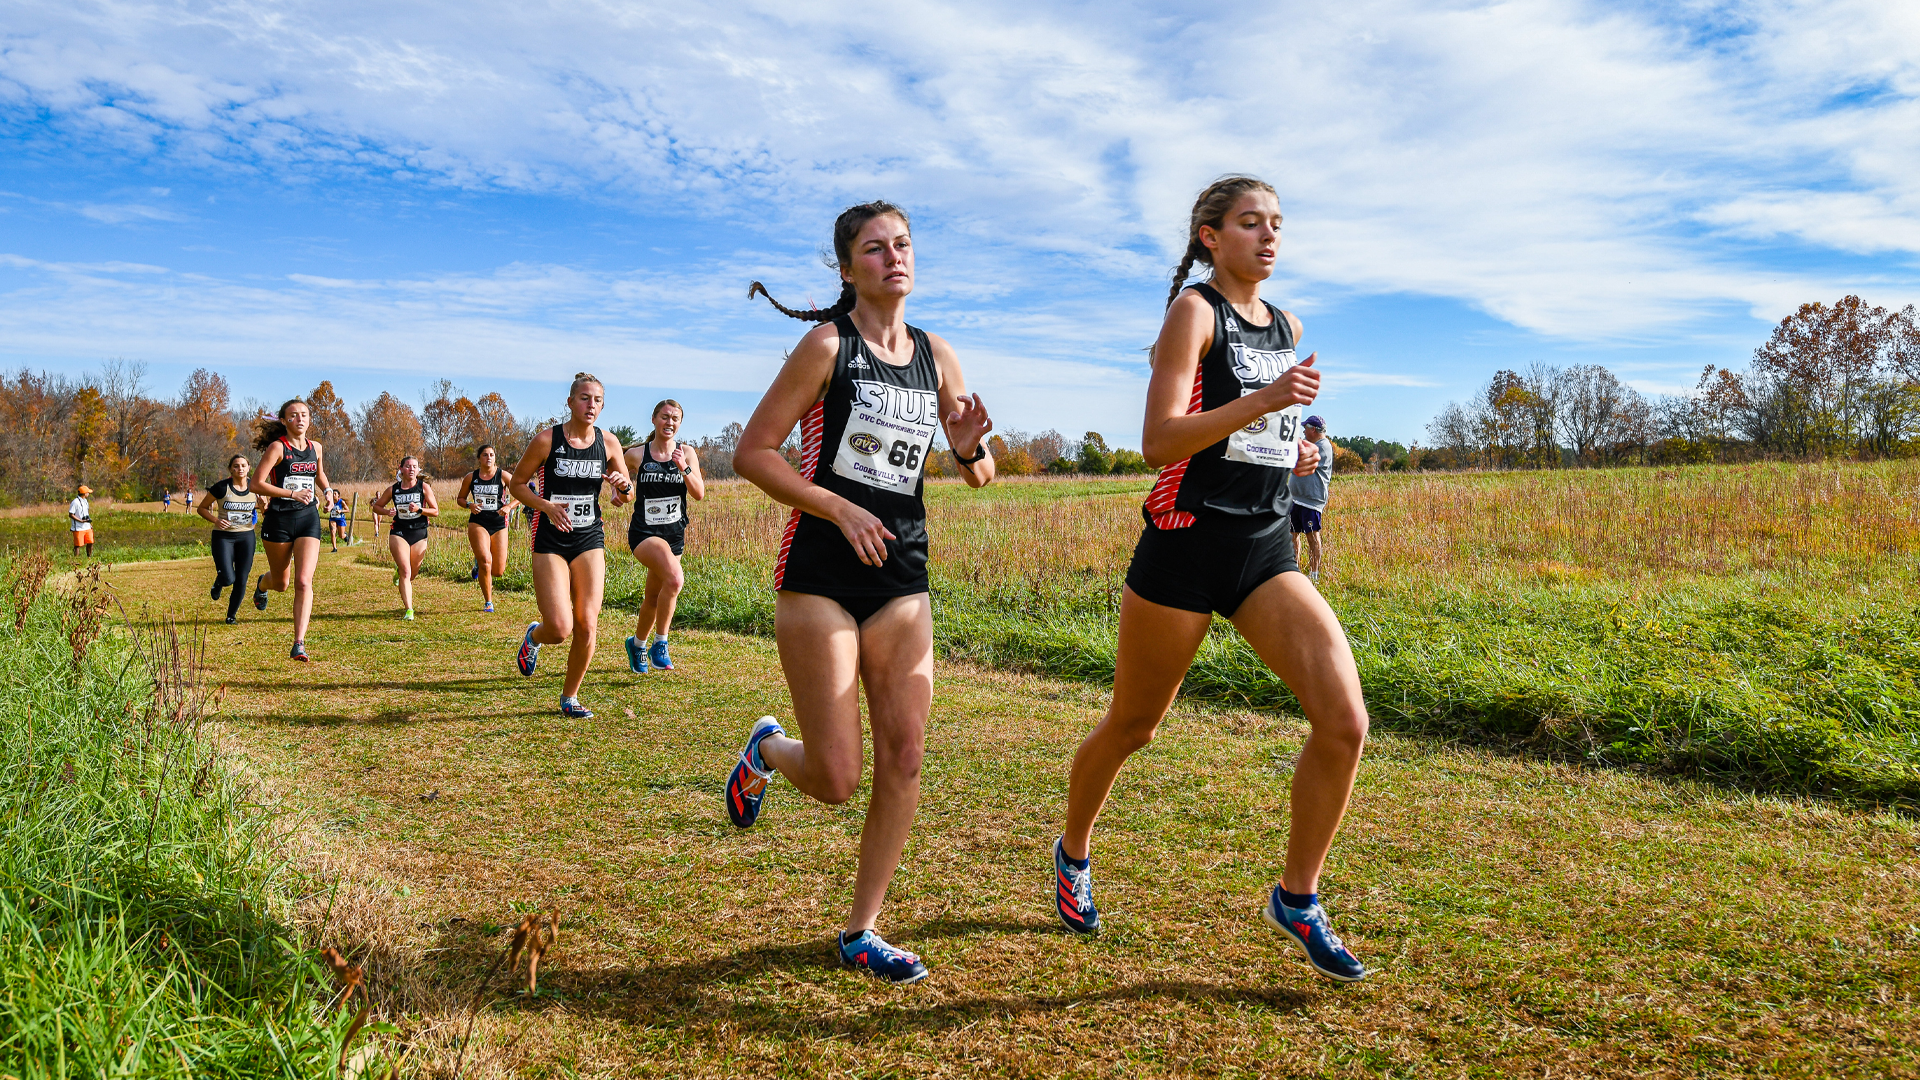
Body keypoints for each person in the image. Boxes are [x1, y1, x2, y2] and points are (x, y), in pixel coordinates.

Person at [1052, 176, 1371, 983]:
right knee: (1134, 726)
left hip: (1265, 548)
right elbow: (1160, 439)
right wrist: (1266, 399)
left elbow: (1260, 428)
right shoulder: (1195, 313)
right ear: (1209, 237)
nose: (1268, 238)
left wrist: (1289, 444)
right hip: (1186, 545)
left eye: (1276, 225)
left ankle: (1297, 898)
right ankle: (1073, 850)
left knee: (1344, 720)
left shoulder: (1288, 322)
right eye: (1249, 224)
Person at [729, 201, 996, 985]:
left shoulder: (936, 354)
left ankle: (862, 930)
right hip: (821, 568)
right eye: (875, 249)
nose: (894, 257)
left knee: (906, 756)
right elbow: (754, 452)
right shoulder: (825, 346)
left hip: (902, 571)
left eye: (903, 244)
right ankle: (768, 751)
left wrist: (970, 448)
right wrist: (838, 506)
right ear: (848, 269)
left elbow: (978, 474)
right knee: (841, 777)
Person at [506, 374, 633, 718]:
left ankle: (569, 697)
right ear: (570, 401)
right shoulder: (547, 440)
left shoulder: (608, 443)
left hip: (589, 536)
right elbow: (518, 485)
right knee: (560, 628)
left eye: (598, 400)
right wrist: (545, 506)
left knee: (588, 623)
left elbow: (622, 496)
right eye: (584, 398)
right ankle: (535, 636)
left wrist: (623, 487)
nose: (591, 406)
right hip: (550, 537)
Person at [623, 400, 704, 672]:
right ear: (654, 419)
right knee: (675, 578)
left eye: (675, 418)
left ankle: (637, 643)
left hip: (674, 533)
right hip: (645, 533)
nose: (670, 422)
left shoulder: (687, 452)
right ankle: (661, 643)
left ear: (680, 423)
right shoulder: (636, 454)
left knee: (654, 597)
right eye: (665, 417)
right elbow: (619, 486)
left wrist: (685, 468)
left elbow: (699, 493)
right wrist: (618, 493)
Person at [250, 399, 333, 662]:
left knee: (303, 581)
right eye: (294, 415)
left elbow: (319, 475)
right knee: (282, 583)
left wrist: (328, 491)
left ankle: (299, 642)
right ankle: (263, 584)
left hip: (308, 518)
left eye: (304, 415)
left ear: (309, 419)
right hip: (279, 520)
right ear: (284, 421)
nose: (300, 419)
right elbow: (256, 484)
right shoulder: (277, 448)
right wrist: (291, 493)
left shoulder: (316, 447)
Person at [197, 454, 262, 624]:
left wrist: (263, 505)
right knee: (228, 578)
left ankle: (231, 615)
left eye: (243, 465)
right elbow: (202, 508)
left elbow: (265, 509)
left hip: (246, 536)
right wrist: (216, 520)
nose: (239, 469)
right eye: (235, 466)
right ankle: (219, 583)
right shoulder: (221, 487)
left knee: (241, 579)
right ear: (230, 469)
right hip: (223, 537)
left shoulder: (257, 487)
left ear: (249, 468)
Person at [371, 457, 437, 620]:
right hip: (399, 531)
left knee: (412, 572)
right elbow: (376, 506)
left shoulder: (424, 488)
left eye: (415, 467)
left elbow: (435, 511)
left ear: (418, 470)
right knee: (406, 571)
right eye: (408, 466)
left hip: (419, 532)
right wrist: (387, 512)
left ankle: (399, 573)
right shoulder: (393, 489)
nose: (412, 469)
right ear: (401, 469)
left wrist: (420, 509)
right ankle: (409, 610)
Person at [456, 445, 514, 614]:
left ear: (495, 457)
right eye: (485, 455)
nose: (489, 458)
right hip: (478, 522)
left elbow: (522, 492)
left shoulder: (503, 476)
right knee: (486, 562)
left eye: (491, 455)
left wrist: (509, 506)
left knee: (498, 571)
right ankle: (488, 602)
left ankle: (477, 563)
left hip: (498, 523)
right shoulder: (471, 477)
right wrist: (469, 504)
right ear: (479, 458)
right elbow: (460, 498)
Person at [1290, 416, 1333, 582]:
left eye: (1305, 428)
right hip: (1296, 499)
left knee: (1312, 536)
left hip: (1311, 500)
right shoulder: (1313, 444)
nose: (1303, 431)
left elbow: (1302, 456)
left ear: (1313, 429)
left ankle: (1314, 574)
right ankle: (1295, 570)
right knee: (1293, 534)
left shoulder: (1323, 446)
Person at [68, 485, 94, 557]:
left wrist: (89, 524)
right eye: (87, 492)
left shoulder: (85, 501)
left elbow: (86, 513)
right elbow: (71, 514)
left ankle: (89, 558)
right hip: (78, 528)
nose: (88, 494)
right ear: (84, 493)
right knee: (77, 545)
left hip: (87, 526)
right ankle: (76, 560)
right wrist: (80, 521)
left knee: (90, 542)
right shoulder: (75, 502)